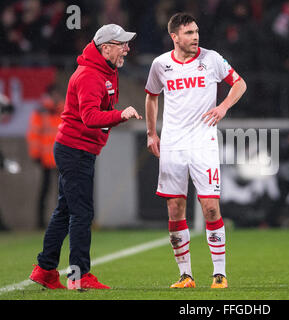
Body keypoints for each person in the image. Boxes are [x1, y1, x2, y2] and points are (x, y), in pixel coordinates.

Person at [29, 24, 141, 290]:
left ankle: (45, 269)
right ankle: (79, 275)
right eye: (122, 44)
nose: (127, 48)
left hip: (76, 149)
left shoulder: (103, 69)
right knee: (81, 213)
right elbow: (90, 117)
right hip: (76, 151)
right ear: (105, 48)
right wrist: (120, 114)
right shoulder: (91, 75)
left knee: (65, 210)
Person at [145, 12, 246, 289]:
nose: (195, 37)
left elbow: (240, 83)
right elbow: (151, 96)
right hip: (173, 144)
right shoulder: (161, 64)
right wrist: (152, 133)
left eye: (197, 32)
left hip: (203, 143)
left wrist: (223, 107)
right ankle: (186, 275)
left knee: (211, 208)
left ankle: (220, 273)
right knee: (175, 208)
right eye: (189, 33)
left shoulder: (211, 59)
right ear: (174, 37)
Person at [26, 85, 64, 229]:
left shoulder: (63, 110)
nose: (56, 97)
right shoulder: (41, 112)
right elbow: (34, 135)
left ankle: (60, 222)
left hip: (61, 158)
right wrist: (36, 154)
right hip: (46, 159)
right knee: (45, 191)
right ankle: (40, 222)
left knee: (62, 193)